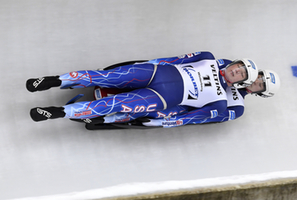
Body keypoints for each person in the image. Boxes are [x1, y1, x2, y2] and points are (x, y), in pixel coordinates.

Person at [26, 51, 258, 126]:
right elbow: (174, 60)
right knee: (107, 77)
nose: (236, 71)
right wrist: (146, 64)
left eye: (241, 74)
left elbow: (188, 118)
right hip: (157, 72)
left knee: (113, 105)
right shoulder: (208, 58)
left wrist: (158, 122)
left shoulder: (219, 102)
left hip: (162, 97)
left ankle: (58, 112)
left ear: (241, 83)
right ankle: (54, 80)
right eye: (238, 66)